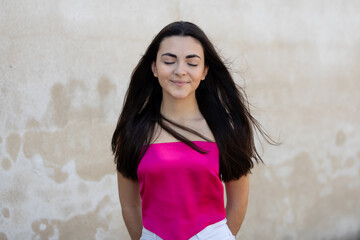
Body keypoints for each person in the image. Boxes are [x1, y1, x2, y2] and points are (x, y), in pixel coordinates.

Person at [111, 21, 274, 240]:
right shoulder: (133, 132)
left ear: (204, 70)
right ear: (154, 67)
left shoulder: (224, 129)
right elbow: (129, 204)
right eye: (169, 61)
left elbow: (238, 201)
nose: (180, 71)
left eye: (192, 63)